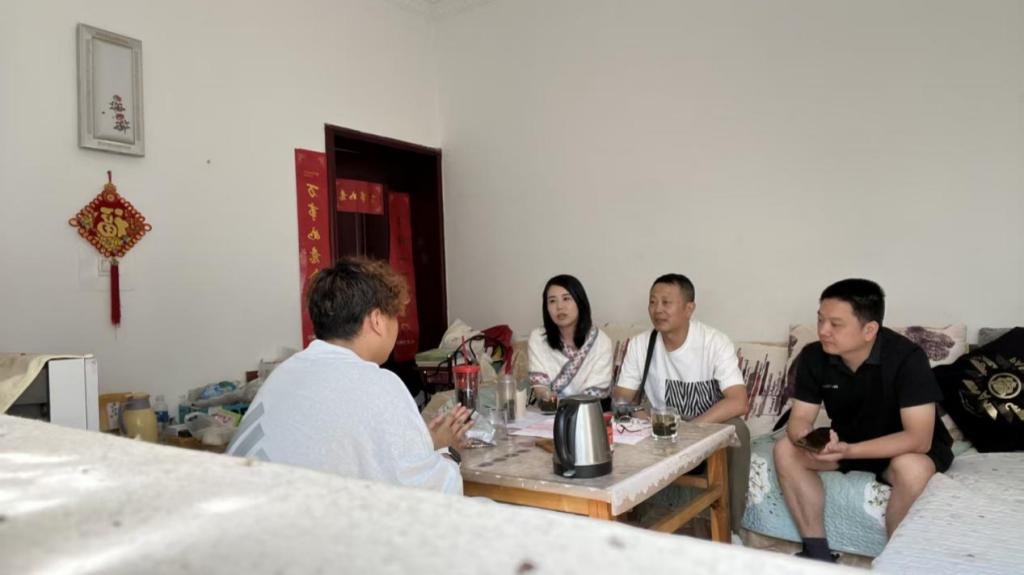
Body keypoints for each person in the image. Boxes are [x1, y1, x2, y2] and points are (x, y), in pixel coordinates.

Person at [227, 257, 473, 495]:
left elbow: (338, 448)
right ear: (377, 321)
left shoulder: (285, 372)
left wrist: (422, 442)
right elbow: (429, 493)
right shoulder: (378, 383)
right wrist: (447, 450)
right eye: (395, 317)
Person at [773, 279, 954, 562]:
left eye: (836, 324)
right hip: (849, 439)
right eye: (820, 320)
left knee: (912, 469)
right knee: (785, 449)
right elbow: (800, 418)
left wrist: (850, 451)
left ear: (869, 330)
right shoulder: (813, 356)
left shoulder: (907, 358)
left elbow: (918, 439)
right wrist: (808, 441)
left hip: (902, 448)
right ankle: (818, 555)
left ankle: (895, 562)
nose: (823, 330)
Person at [612, 273, 750, 533]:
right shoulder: (641, 345)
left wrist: (689, 430)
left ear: (689, 308)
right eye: (653, 302)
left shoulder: (714, 342)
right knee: (620, 426)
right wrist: (636, 411)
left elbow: (738, 402)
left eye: (666, 302)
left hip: (707, 425)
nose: (657, 310)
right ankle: (630, 523)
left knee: (738, 430)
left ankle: (731, 529)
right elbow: (621, 398)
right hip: (662, 424)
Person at [528, 274, 614, 401]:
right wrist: (548, 397)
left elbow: (594, 394)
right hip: (550, 409)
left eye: (566, 299)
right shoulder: (538, 337)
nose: (559, 306)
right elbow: (540, 388)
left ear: (580, 302)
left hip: (589, 410)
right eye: (552, 301)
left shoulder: (601, 341)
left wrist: (567, 407)